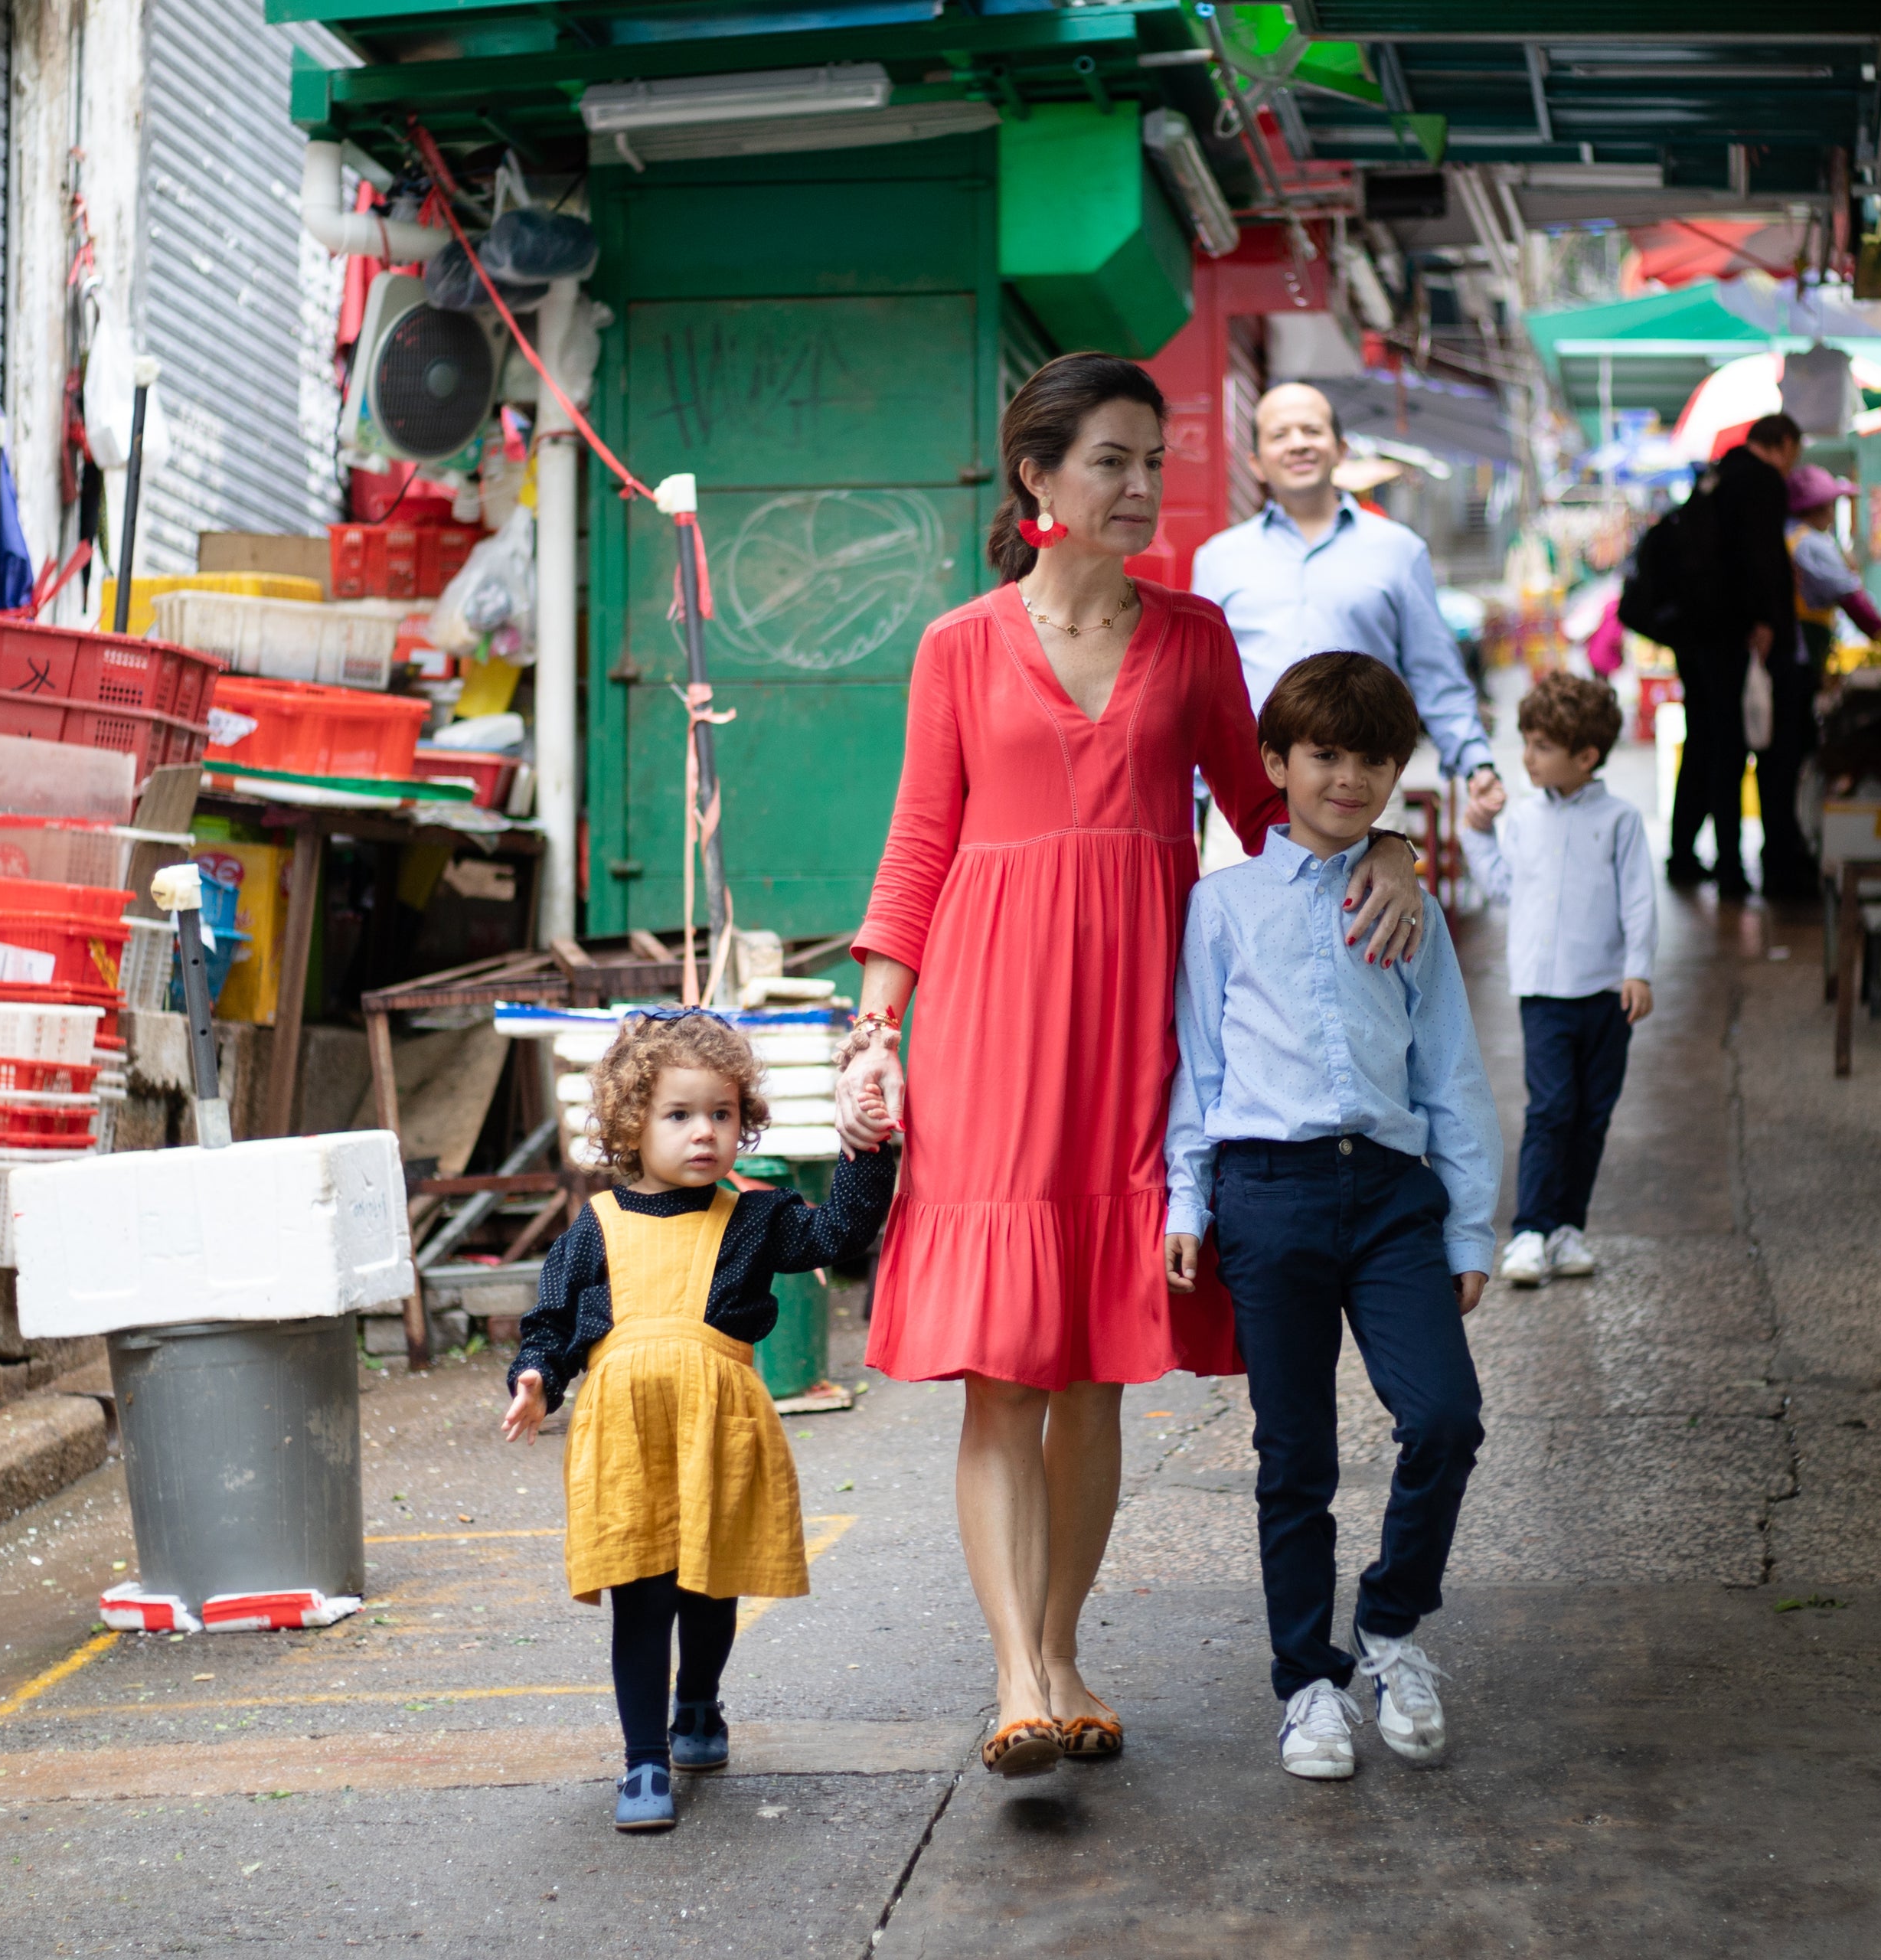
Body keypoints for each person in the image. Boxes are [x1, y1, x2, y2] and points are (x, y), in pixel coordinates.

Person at [836, 354, 1429, 1782]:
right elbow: (921, 843)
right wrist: (875, 1034)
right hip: (987, 1016)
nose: (1141, 485)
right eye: (1111, 458)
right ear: (1038, 477)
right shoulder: (959, 647)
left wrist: (1397, 843)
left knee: (1097, 1367)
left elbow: (1277, 802)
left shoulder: (1195, 637)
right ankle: (1016, 1676)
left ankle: (1068, 1650)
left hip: (1143, 1024)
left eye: (1153, 460)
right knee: (1005, 1370)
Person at [1163, 652, 1501, 1784]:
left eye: (1373, 759)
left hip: (1395, 1201)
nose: (1348, 779)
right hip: (1269, 1199)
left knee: (1445, 1417)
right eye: (1323, 756)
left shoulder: (1409, 903)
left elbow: (1451, 1070)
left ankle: (1393, 1625)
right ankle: (1307, 1681)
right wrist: (1187, 1196)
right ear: (1274, 765)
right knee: (1293, 1455)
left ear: (1397, 772)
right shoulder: (1222, 907)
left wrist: (1469, 1229)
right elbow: (1197, 1071)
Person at [502, 1011, 897, 1832]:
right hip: (626, 1436)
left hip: (720, 1428)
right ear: (629, 1123)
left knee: (709, 1581)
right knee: (640, 1593)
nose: (703, 1134)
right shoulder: (597, 1228)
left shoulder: (752, 1217)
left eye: (720, 1114)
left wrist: (866, 1147)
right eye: (678, 1115)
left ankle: (698, 1702)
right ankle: (644, 1759)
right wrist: (536, 1376)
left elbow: (838, 1230)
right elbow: (549, 1322)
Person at [1191, 381, 1503, 867]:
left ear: (1340, 448)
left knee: (1371, 937)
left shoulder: (1398, 551)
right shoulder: (1218, 560)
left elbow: (1434, 671)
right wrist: (1188, 799)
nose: (1297, 443)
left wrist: (1475, 763)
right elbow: (1199, 687)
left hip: (1363, 789)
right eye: (1280, 434)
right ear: (1255, 461)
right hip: (1247, 795)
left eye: (1311, 430)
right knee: (1249, 938)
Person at [1459, 673, 1656, 1290]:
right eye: (1528, 742)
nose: (1528, 757)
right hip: (1544, 995)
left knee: (1592, 1114)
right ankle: (1529, 1231)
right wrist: (1474, 832)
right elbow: (1501, 886)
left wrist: (1639, 971)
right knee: (1550, 1109)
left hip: (1606, 994)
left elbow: (1640, 902)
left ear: (1586, 757)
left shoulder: (1621, 821)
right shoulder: (1521, 819)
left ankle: (1570, 1228)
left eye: (1542, 746)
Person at [1667, 411, 1801, 897]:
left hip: (1699, 637)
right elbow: (1758, 557)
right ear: (1784, 444)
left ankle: (1697, 857)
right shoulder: (1761, 481)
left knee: (1709, 744)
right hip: (1737, 637)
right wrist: (1764, 621)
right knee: (1737, 749)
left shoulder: (1717, 476)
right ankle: (1734, 867)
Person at [1759, 463, 1881, 900]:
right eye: (1832, 502)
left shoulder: (1784, 535)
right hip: (1794, 667)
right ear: (1819, 506)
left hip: (1785, 664)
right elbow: (1853, 600)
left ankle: (1782, 855)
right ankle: (1787, 859)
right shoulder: (1812, 544)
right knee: (1792, 762)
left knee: (1779, 764)